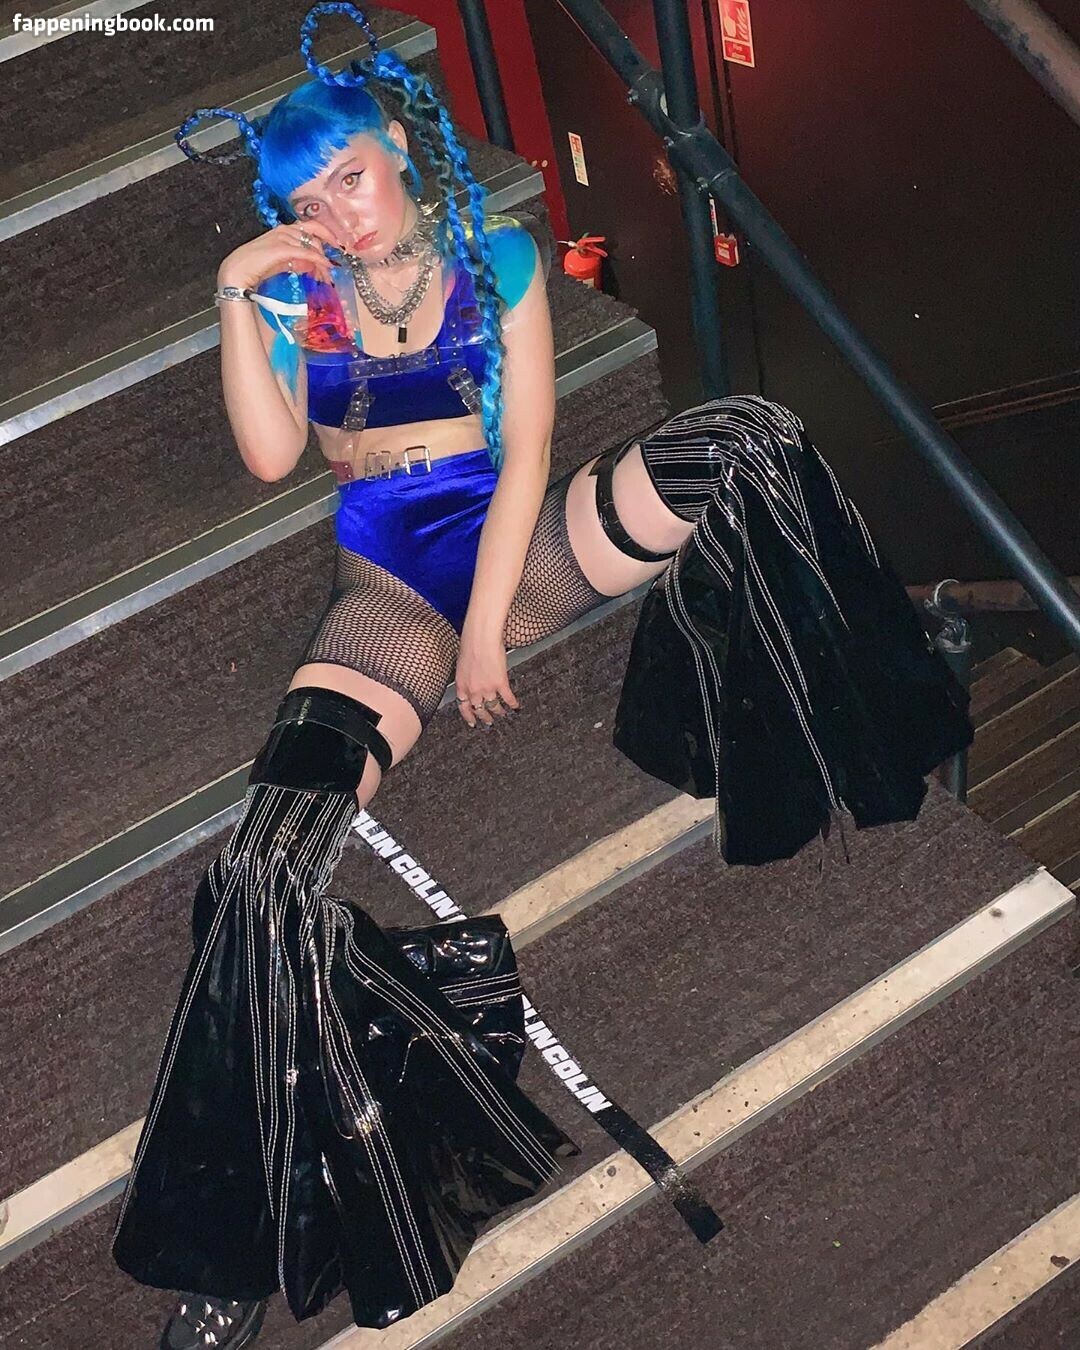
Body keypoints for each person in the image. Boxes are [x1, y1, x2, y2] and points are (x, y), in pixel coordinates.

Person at [110, 4, 972, 1345]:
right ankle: (228, 1261)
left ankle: (843, 728)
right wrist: (238, 287)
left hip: (520, 550)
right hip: (390, 598)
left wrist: (495, 625)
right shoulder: (295, 300)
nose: (336, 215)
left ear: (398, 148)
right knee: (265, 866)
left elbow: (524, 457)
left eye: (350, 178)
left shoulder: (497, 259)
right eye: (305, 202)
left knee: (748, 437)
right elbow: (274, 457)